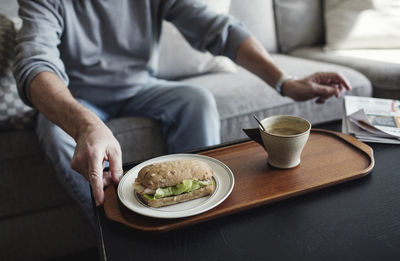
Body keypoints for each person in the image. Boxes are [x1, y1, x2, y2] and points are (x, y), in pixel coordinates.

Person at [13, 0, 351, 225]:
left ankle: (198, 221)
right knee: (52, 130)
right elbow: (32, 62)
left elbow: (219, 30)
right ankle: (114, 232)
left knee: (196, 100)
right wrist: (85, 124)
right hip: (79, 97)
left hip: (142, 87)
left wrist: (285, 82)